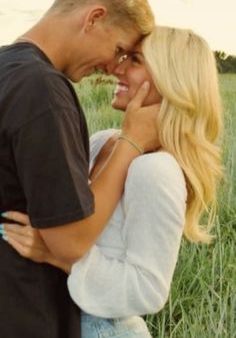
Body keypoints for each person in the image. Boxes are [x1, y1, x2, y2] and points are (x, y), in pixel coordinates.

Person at [0, 26, 223, 337]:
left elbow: (148, 290)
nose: (117, 68)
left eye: (134, 60)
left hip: (107, 330)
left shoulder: (155, 171)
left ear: (170, 79)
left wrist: (57, 256)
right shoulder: (104, 141)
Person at [0, 0, 159, 338]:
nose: (111, 66)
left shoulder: (6, 68)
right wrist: (131, 142)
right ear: (94, 18)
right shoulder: (42, 90)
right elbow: (69, 242)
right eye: (119, 49)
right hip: (23, 312)